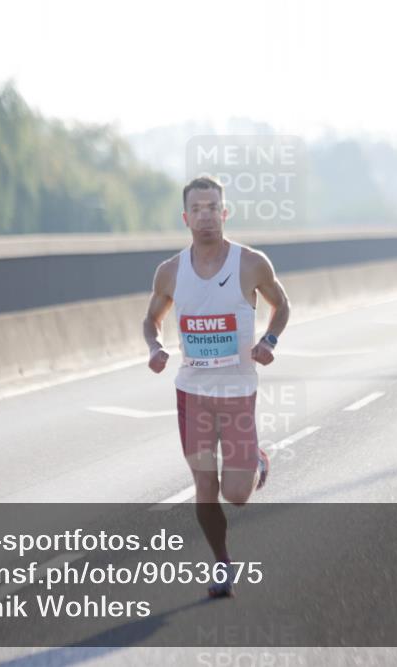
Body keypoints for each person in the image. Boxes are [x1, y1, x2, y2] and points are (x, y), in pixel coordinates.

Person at [142, 175, 291, 598]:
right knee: (205, 488)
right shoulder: (170, 272)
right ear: (185, 218)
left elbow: (282, 304)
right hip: (192, 395)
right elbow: (151, 319)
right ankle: (223, 563)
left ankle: (255, 460)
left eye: (212, 208)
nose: (205, 216)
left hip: (237, 393)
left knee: (236, 494)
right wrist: (155, 347)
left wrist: (269, 340)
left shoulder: (251, 263)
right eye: (197, 209)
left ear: (225, 213)